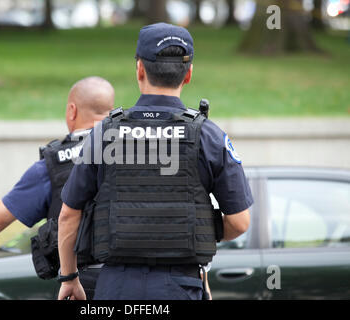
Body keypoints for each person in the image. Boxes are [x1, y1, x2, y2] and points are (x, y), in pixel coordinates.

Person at [57, 23, 253, 300]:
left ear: (139, 69)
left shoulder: (105, 132)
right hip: (181, 286)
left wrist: (69, 277)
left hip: (116, 286)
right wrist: (195, 231)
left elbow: (68, 215)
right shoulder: (209, 136)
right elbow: (240, 222)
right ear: (188, 75)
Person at [0, 76, 115, 300]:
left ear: (72, 111)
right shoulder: (136, 152)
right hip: (136, 282)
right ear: (111, 112)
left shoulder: (55, 164)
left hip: (82, 284)